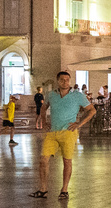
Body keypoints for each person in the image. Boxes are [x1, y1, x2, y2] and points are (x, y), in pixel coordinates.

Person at [33, 71, 94, 200]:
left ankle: (64, 189)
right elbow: (43, 107)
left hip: (68, 132)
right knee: (43, 160)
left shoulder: (78, 95)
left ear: (70, 81)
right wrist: (44, 122)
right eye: (62, 80)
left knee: (67, 161)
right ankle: (43, 189)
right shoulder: (51, 95)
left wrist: (79, 124)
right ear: (58, 81)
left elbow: (92, 110)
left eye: (67, 80)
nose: (65, 82)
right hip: (52, 132)